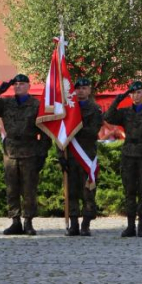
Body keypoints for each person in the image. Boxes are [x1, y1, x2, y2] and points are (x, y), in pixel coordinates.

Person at [0, 74, 51, 236]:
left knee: (29, 188)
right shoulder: (6, 103)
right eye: (15, 84)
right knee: (12, 188)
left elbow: (46, 132)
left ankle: (28, 221)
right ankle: (15, 221)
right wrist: (2, 88)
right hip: (10, 150)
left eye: (22, 84)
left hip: (30, 149)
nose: (18, 86)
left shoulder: (36, 105)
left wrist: (42, 153)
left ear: (28, 86)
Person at [104, 80, 142, 238]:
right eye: (133, 93)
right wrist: (118, 99)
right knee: (129, 191)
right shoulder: (125, 112)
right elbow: (108, 117)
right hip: (128, 154)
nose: (136, 95)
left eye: (138, 92)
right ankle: (130, 226)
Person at [58, 78, 103, 237]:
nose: (81, 91)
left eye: (84, 88)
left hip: (87, 156)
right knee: (71, 192)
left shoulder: (95, 109)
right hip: (70, 156)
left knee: (87, 191)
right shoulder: (67, 110)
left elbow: (93, 131)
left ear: (89, 90)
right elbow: (60, 135)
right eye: (78, 88)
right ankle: (74, 224)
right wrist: (60, 155)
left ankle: (86, 224)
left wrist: (74, 127)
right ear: (74, 91)